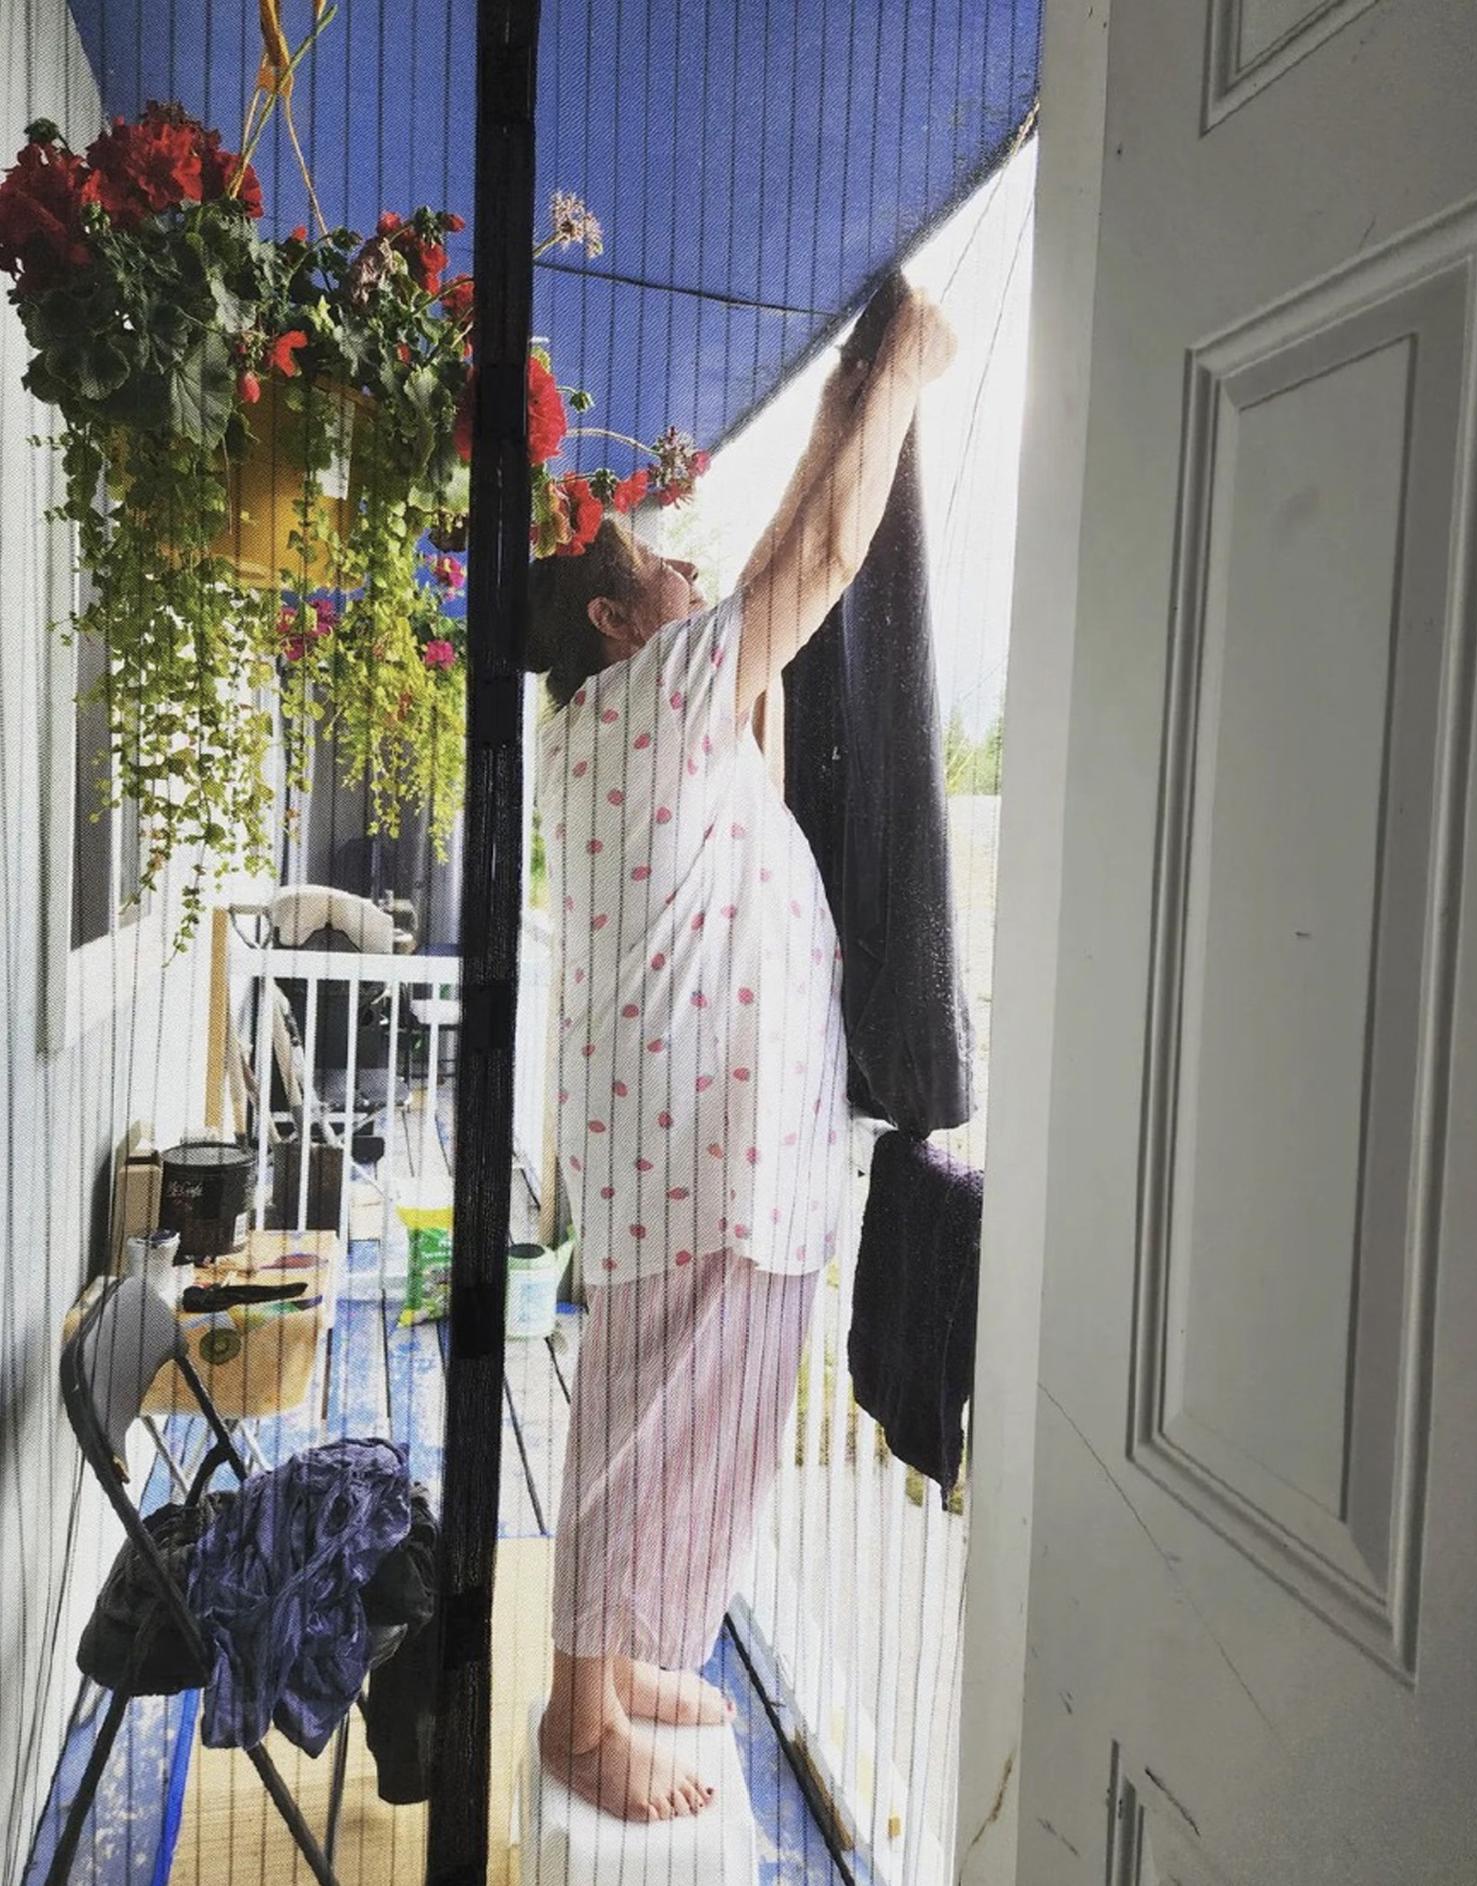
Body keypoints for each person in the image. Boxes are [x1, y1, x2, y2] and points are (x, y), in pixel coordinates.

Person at [526, 286, 957, 1825]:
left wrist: (841, 419)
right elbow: (817, 563)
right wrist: (896, 378)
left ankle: (628, 1655)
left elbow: (771, 659)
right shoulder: (636, 706)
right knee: (639, 1422)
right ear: (608, 619)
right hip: (684, 1143)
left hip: (709, 1140)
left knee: (686, 1417)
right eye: (652, 558)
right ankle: (581, 1715)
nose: (682, 561)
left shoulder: (643, 718)